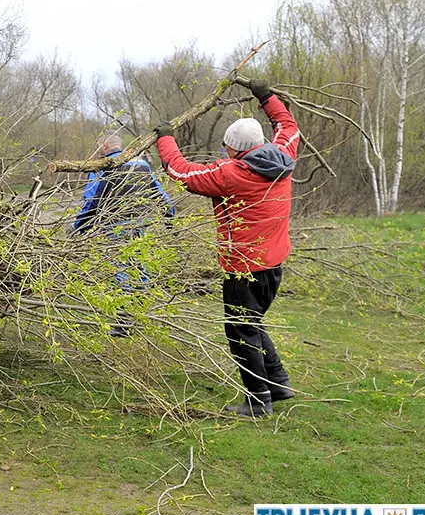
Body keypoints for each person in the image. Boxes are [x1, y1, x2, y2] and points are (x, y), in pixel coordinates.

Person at [152, 79, 299, 417]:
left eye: (225, 146)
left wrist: (165, 138)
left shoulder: (233, 173)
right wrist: (266, 96)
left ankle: (258, 400)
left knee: (240, 330)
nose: (224, 151)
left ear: (234, 148)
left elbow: (181, 172)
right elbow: (288, 126)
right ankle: (277, 383)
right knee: (253, 322)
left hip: (243, 267)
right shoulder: (283, 156)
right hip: (273, 264)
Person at [74, 135, 175, 336]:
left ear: (104, 146)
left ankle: (124, 320)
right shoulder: (142, 164)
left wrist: (79, 227)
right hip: (140, 224)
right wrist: (168, 215)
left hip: (115, 227)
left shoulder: (104, 166)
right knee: (140, 266)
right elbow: (159, 193)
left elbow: (92, 200)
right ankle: (141, 313)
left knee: (120, 270)